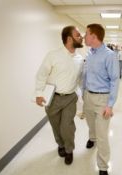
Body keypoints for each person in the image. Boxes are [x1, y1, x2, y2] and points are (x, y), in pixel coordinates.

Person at [35, 26, 84, 165]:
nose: (81, 37)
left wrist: (82, 96)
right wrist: (39, 94)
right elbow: (41, 74)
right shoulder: (53, 55)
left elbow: (79, 79)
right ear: (69, 39)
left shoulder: (80, 58)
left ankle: (69, 150)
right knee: (55, 125)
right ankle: (60, 145)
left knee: (67, 126)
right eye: (78, 35)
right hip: (53, 98)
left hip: (70, 98)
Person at [82, 23, 119, 175]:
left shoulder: (109, 55)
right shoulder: (89, 53)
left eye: (86, 34)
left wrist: (110, 105)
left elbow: (115, 80)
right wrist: (83, 93)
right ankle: (92, 137)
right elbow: (85, 74)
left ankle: (103, 167)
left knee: (103, 136)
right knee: (91, 125)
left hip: (102, 99)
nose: (84, 36)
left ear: (94, 36)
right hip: (88, 97)